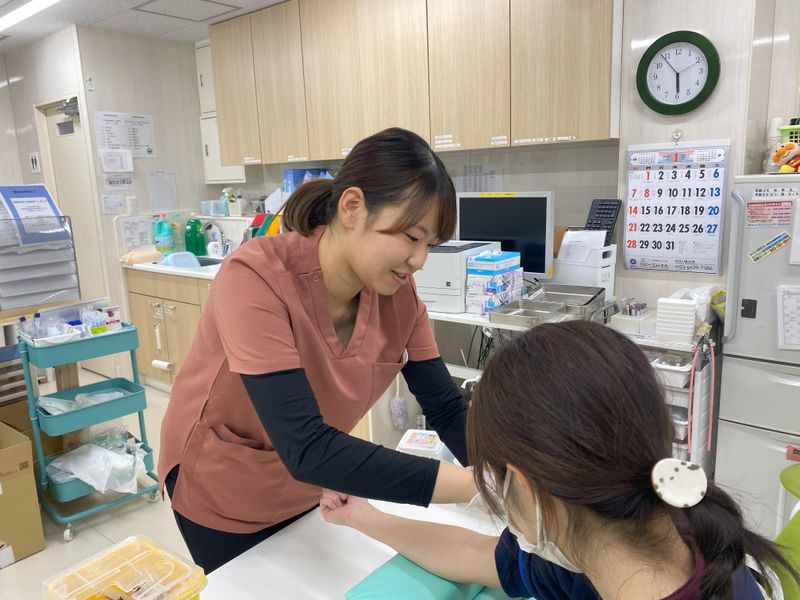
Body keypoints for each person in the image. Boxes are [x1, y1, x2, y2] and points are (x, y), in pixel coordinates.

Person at [158, 127, 476, 573]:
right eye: (410, 237)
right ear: (352, 208)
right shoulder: (255, 278)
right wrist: (472, 487)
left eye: (430, 245)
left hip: (311, 482)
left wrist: (504, 474)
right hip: (222, 487)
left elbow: (445, 407)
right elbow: (306, 446)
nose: (419, 260)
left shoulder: (399, 296)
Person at [322, 321, 799, 599]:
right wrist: (363, 516)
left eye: (494, 482)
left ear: (525, 490)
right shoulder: (630, 542)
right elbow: (473, 554)